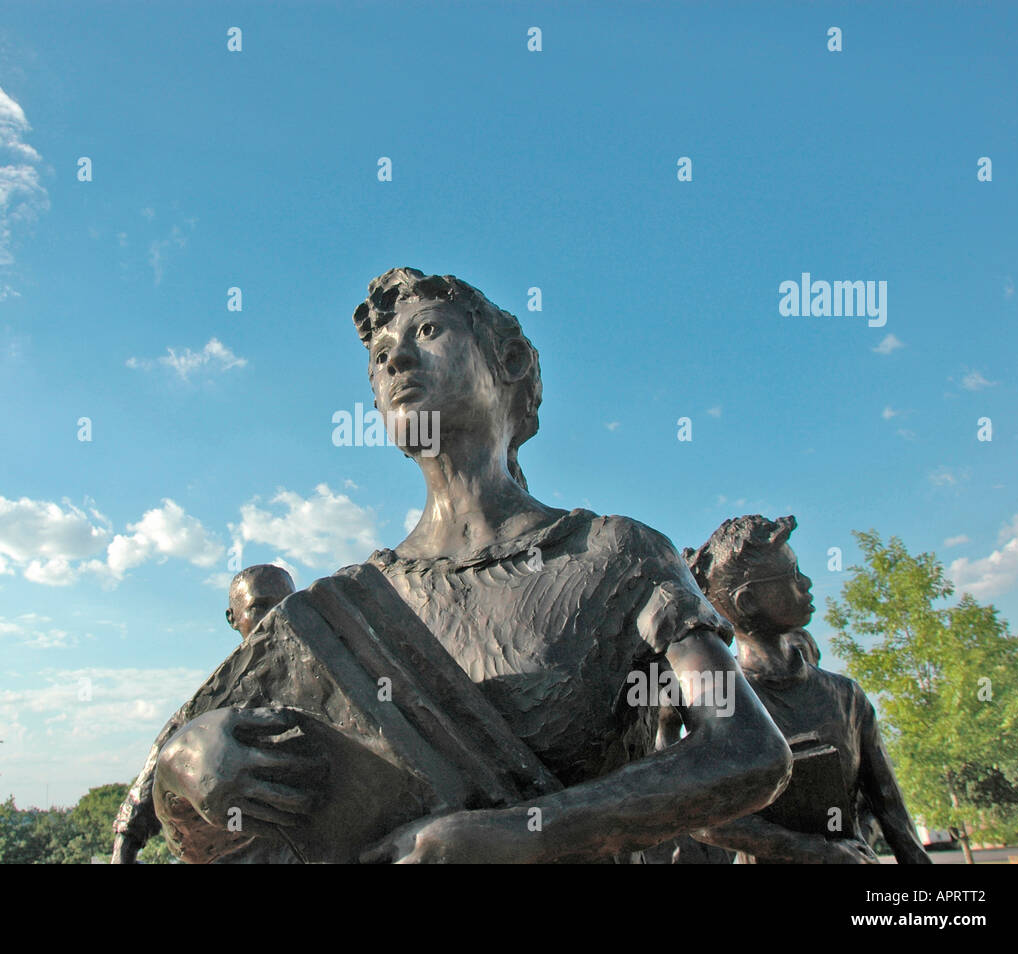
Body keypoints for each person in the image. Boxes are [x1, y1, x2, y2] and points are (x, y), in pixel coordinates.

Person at [147, 267, 792, 864]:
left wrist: (526, 834)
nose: (396, 358)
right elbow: (215, 841)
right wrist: (181, 776)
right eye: (378, 358)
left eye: (427, 331)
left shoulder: (616, 555)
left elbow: (747, 752)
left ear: (507, 362)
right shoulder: (333, 614)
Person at [682, 515, 931, 864]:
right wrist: (814, 852)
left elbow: (889, 805)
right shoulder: (722, 699)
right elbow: (704, 817)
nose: (808, 583)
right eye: (793, 576)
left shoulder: (845, 696)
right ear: (747, 601)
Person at [110, 565, 295, 864]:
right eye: (259, 607)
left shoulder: (323, 670)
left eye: (285, 603)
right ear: (232, 618)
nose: (274, 616)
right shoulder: (215, 698)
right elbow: (158, 769)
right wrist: (124, 849)